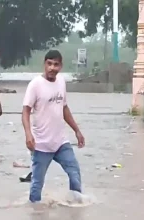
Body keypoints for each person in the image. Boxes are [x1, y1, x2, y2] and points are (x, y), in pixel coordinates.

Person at [21, 50, 85, 203]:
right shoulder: (35, 85)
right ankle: (35, 212)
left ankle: (75, 208)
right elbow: (25, 111)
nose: (52, 67)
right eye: (49, 64)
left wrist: (77, 130)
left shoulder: (61, 81)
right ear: (44, 64)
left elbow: (64, 108)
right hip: (41, 144)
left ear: (60, 66)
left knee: (74, 173)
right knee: (37, 184)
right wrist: (28, 135)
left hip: (61, 142)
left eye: (56, 64)